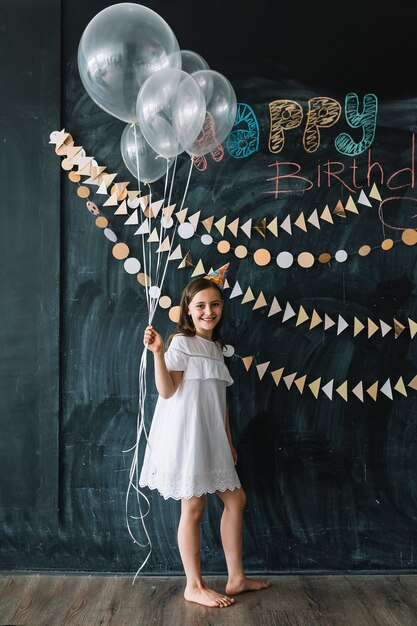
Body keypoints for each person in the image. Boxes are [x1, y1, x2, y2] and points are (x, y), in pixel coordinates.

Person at [139, 274, 270, 608]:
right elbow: (167, 391)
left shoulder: (215, 349)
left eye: (214, 304)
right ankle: (193, 585)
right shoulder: (181, 343)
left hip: (212, 439)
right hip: (188, 438)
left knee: (236, 499)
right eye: (200, 306)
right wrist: (158, 352)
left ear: (222, 307)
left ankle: (236, 578)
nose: (208, 311)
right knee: (194, 507)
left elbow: (219, 404)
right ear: (188, 310)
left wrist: (228, 443)